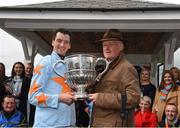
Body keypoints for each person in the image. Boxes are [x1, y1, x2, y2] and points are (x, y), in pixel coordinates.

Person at [88, 29, 140, 127]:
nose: (106, 48)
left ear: (121, 47)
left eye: (111, 44)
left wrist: (100, 98)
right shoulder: (104, 67)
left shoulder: (126, 68)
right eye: (104, 45)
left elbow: (133, 98)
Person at [28, 28, 76, 127]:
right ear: (53, 42)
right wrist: (59, 98)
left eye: (66, 42)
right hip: (47, 124)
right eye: (59, 41)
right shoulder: (45, 62)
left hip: (68, 123)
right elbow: (33, 97)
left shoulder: (69, 65)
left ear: (69, 45)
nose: (62, 45)